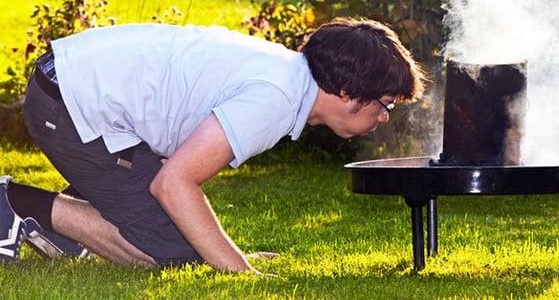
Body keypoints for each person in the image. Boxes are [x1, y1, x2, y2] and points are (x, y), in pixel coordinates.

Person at [0, 17, 424, 272]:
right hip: (69, 105)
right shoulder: (275, 98)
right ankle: (14, 204)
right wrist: (241, 272)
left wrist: (226, 254)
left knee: (180, 236)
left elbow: (174, 159)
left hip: (68, 87)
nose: (384, 118)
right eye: (386, 105)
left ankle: (77, 233)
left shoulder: (285, 78)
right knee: (168, 250)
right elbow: (173, 184)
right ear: (350, 92)